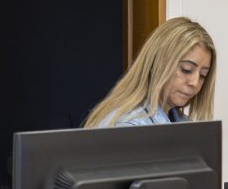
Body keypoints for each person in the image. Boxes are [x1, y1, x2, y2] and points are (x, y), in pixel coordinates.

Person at [82, 16, 216, 127]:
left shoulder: (182, 123)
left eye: (203, 75)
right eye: (186, 70)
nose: (195, 82)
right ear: (158, 62)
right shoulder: (127, 126)